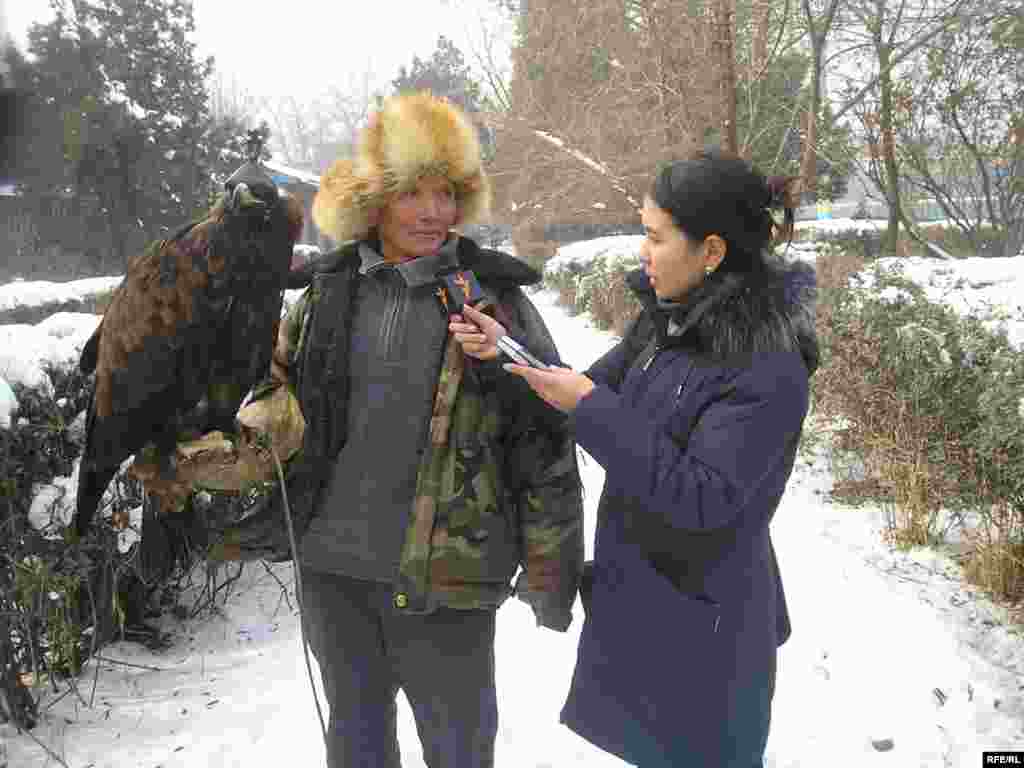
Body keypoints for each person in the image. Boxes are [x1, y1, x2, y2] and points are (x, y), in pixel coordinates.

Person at [451, 149, 819, 767]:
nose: (641, 252)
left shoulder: (766, 363)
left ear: (711, 252)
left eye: (654, 236)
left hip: (711, 638)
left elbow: (703, 497)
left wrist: (592, 406)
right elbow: (579, 392)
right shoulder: (667, 325)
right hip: (652, 615)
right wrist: (503, 348)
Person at [272, 91, 584, 767]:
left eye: (447, 194)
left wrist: (550, 566)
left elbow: (547, 436)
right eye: (414, 193)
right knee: (354, 739)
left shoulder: (493, 300)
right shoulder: (325, 295)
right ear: (375, 200)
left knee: (459, 748)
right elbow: (276, 405)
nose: (434, 212)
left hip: (449, 578)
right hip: (333, 571)